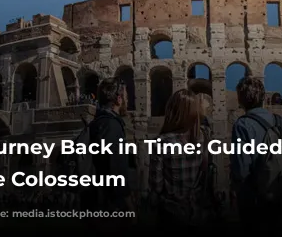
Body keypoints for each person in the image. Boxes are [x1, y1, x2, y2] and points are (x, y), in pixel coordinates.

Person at [229, 76, 282, 232]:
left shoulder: (242, 125)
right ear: (263, 98)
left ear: (240, 100)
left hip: (255, 200)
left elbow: (241, 170)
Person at [80, 77, 137, 232]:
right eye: (125, 97)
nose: (127, 100)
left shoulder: (99, 123)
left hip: (99, 202)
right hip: (109, 206)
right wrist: (128, 202)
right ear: (118, 99)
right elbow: (115, 168)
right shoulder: (110, 125)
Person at [149, 89, 208, 230]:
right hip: (195, 210)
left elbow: (156, 185)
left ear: (172, 111)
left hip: (171, 212)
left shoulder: (162, 141)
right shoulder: (202, 138)